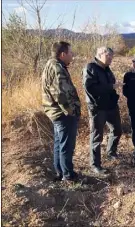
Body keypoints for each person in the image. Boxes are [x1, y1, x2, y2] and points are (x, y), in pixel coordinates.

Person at [42, 41, 81, 182]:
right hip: (62, 114)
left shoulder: (50, 64)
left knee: (59, 143)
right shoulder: (58, 68)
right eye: (70, 53)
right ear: (63, 54)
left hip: (55, 112)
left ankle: (60, 172)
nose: (72, 56)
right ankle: (68, 175)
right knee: (67, 145)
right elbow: (60, 93)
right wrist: (69, 111)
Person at [83, 47, 123, 174]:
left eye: (112, 56)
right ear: (100, 55)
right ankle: (95, 164)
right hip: (97, 107)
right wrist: (110, 87)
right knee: (96, 137)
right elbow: (90, 88)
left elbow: (110, 86)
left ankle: (111, 153)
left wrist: (113, 90)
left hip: (111, 106)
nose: (111, 58)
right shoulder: (90, 68)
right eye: (108, 55)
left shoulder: (107, 69)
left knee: (117, 130)